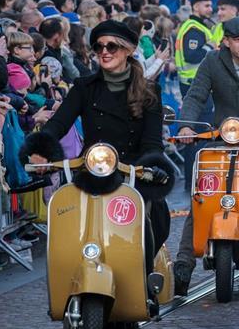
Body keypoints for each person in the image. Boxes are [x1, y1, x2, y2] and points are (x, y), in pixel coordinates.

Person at [21, 20, 172, 305]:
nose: (104, 52)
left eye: (112, 46)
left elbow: (153, 141)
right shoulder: (84, 87)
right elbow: (59, 123)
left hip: (133, 171)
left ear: (128, 50)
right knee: (71, 218)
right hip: (93, 169)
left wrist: (151, 167)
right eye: (99, 46)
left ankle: (143, 278)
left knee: (152, 218)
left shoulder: (149, 90)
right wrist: (41, 149)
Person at [171, 17, 239, 295]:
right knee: (203, 194)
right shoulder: (211, 61)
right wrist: (186, 125)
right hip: (223, 138)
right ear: (226, 42)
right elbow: (196, 95)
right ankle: (184, 262)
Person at [174, 0, 217, 99]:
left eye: (211, 6)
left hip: (195, 82)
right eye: (206, 6)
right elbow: (191, 56)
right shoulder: (194, 29)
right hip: (194, 83)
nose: (210, 9)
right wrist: (210, 46)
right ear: (196, 7)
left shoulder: (196, 26)